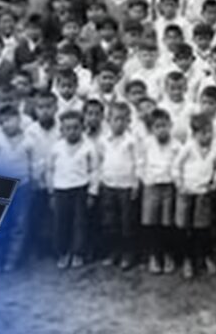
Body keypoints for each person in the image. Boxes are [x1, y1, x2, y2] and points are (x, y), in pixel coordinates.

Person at [173, 113, 216, 279]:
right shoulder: (188, 148)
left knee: (202, 228)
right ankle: (188, 260)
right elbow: (176, 167)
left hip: (204, 193)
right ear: (194, 134)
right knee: (185, 228)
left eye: (209, 132)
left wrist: (215, 183)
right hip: (187, 192)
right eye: (203, 133)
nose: (207, 136)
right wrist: (180, 184)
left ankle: (205, 257)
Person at [46, 109, 98, 269]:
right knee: (61, 223)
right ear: (61, 130)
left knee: (79, 223)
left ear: (82, 128)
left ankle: (78, 253)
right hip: (61, 190)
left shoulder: (88, 146)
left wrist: (92, 192)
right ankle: (63, 253)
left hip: (80, 190)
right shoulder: (56, 148)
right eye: (67, 128)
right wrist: (51, 192)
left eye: (76, 127)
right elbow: (50, 170)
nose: (72, 132)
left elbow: (94, 170)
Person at [98, 104, 139, 270]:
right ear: (108, 121)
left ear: (129, 121)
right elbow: (100, 161)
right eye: (116, 119)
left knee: (127, 221)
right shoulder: (103, 141)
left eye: (123, 119)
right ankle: (113, 251)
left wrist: (136, 184)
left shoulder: (132, 141)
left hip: (126, 185)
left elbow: (138, 163)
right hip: (109, 185)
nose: (119, 123)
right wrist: (101, 180)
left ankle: (128, 253)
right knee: (110, 221)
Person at [138, 109, 179, 274]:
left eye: (164, 125)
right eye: (157, 126)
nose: (162, 129)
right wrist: (146, 179)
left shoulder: (176, 145)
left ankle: (168, 255)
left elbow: (178, 166)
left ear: (170, 125)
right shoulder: (147, 143)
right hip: (151, 186)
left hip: (169, 187)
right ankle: (154, 256)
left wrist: (175, 181)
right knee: (151, 222)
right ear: (151, 129)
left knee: (167, 223)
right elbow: (140, 163)